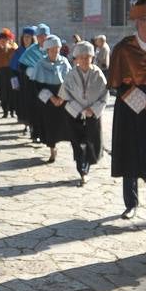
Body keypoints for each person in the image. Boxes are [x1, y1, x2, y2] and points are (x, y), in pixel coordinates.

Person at [108, 0, 146, 222]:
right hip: (130, 108)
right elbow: (117, 84)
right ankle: (131, 203)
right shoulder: (123, 49)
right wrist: (144, 103)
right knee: (130, 155)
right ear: (140, 23)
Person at [57, 40, 108, 185]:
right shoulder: (71, 74)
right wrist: (80, 109)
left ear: (92, 58)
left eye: (88, 57)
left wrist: (93, 109)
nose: (85, 60)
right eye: (81, 57)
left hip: (93, 114)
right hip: (75, 115)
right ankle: (82, 170)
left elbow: (105, 95)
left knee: (92, 142)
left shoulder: (97, 73)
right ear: (76, 59)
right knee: (78, 143)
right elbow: (65, 96)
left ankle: (87, 165)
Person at [27, 35, 72, 163]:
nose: (55, 52)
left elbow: (69, 82)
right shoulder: (40, 65)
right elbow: (37, 86)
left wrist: (62, 98)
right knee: (50, 126)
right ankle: (52, 149)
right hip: (47, 100)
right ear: (47, 50)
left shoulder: (64, 62)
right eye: (52, 49)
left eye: (57, 49)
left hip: (63, 96)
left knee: (64, 124)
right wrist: (51, 98)